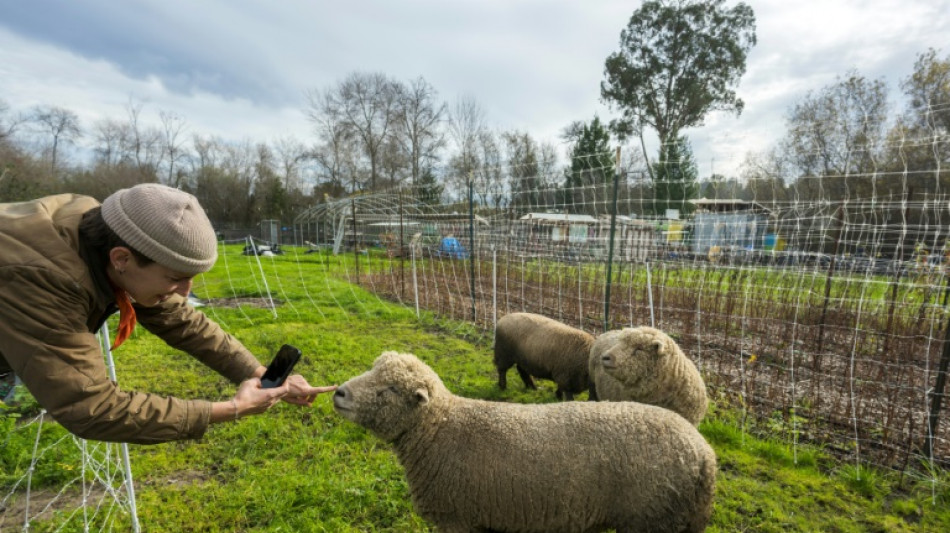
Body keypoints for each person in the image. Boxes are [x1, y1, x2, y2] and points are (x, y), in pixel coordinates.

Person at [0, 183, 336, 444]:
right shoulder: (42, 276)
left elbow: (183, 321)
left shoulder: (109, 231)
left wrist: (261, 375)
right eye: (175, 278)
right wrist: (230, 409)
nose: (187, 293)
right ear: (121, 259)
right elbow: (92, 408)